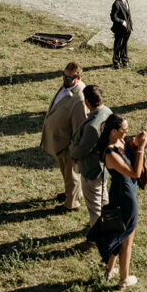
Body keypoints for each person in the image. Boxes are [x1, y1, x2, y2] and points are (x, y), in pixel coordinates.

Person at [87, 113, 147, 289]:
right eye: (124, 130)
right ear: (113, 131)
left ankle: (110, 271)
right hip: (125, 196)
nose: (126, 132)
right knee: (126, 238)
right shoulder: (110, 153)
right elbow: (135, 173)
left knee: (116, 230)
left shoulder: (120, 142)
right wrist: (141, 148)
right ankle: (124, 279)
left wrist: (134, 143)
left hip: (122, 191)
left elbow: (128, 150)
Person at [40, 62, 87, 211]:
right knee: (66, 174)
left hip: (68, 145)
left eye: (69, 78)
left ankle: (72, 205)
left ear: (78, 78)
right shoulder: (67, 87)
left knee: (72, 175)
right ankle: (71, 194)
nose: (65, 80)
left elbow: (79, 128)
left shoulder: (80, 98)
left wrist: (74, 150)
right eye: (64, 76)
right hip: (59, 141)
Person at [70, 84, 112, 230]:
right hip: (104, 165)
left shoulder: (93, 126)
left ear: (87, 102)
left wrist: (73, 154)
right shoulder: (107, 112)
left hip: (92, 169)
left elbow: (82, 149)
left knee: (94, 205)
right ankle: (108, 224)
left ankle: (95, 237)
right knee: (103, 198)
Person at [110, 0, 133, 69]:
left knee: (124, 44)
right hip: (120, 28)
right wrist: (121, 22)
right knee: (118, 45)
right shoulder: (116, 4)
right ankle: (116, 62)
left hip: (127, 28)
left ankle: (125, 60)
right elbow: (113, 17)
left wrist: (129, 24)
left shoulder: (125, 0)